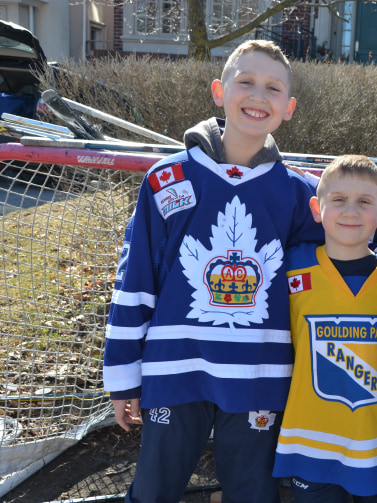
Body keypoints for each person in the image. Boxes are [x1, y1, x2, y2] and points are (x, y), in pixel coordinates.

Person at [103, 40, 324, 503]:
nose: (258, 96)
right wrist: (123, 374)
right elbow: (136, 278)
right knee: (152, 490)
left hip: (259, 375)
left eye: (272, 87)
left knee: (250, 491)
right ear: (219, 91)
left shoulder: (300, 194)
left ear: (289, 106)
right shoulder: (168, 179)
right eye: (245, 82)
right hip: (175, 369)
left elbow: (329, 276)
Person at [272, 155, 377, 502]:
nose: (351, 211)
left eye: (365, 202)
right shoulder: (291, 266)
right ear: (317, 209)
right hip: (309, 439)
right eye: (338, 200)